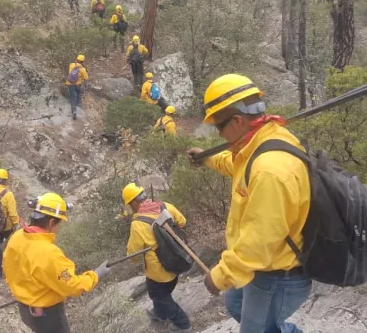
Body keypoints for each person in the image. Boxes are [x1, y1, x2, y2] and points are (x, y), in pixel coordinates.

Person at [185, 74, 311, 333]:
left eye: (219, 127)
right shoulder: (264, 140)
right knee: (235, 303)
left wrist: (219, 276)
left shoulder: (269, 170)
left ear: (237, 121)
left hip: (276, 274)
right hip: (265, 267)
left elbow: (259, 244)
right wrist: (207, 158)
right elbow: (238, 165)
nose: (219, 133)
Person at [3, 192, 110, 333]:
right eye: (58, 223)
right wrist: (96, 275)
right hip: (47, 316)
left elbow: (9, 267)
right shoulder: (49, 253)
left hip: (25, 309)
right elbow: (71, 286)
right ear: (51, 222)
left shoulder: (17, 237)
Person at [122, 183, 191, 331]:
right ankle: (160, 314)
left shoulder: (138, 224)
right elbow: (182, 222)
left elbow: (134, 253)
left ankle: (182, 323)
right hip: (176, 259)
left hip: (158, 270)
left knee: (159, 295)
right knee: (161, 293)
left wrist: (133, 260)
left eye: (129, 204)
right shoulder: (165, 206)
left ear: (133, 203)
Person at [65, 54, 89, 120]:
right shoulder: (83, 69)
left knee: (73, 96)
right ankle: (78, 106)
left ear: (76, 59)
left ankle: (74, 111)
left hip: (70, 84)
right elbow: (86, 78)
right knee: (78, 94)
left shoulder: (71, 65)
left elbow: (70, 72)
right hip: (78, 84)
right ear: (82, 62)